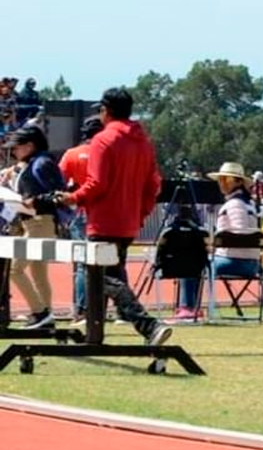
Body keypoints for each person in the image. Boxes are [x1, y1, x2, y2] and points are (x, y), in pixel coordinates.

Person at [57, 88, 172, 346]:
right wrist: (141, 213)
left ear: (105, 111)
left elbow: (96, 184)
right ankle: (94, 333)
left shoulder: (102, 140)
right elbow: (153, 184)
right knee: (112, 275)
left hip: (103, 220)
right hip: (129, 222)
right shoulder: (143, 141)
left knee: (98, 275)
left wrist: (71, 198)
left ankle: (148, 325)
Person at [174, 162, 261, 320]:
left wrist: (213, 244)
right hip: (251, 263)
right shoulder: (248, 204)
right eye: (220, 179)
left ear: (239, 182)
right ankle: (192, 307)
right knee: (197, 262)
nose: (222, 183)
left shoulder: (235, 205)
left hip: (235, 261)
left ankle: (187, 307)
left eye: (226, 180)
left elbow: (239, 234)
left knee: (189, 264)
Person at [3, 125, 66, 328]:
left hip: (40, 222)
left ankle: (40, 312)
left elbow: (58, 194)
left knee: (15, 269)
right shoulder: (32, 162)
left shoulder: (44, 163)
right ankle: (46, 316)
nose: (14, 151)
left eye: (17, 147)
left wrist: (35, 201)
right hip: (33, 222)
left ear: (30, 145)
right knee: (39, 273)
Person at [59, 115, 104, 323]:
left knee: (81, 264)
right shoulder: (105, 152)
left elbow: (59, 180)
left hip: (79, 211)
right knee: (112, 260)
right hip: (104, 212)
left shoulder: (72, 154)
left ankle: (82, 310)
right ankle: (112, 310)